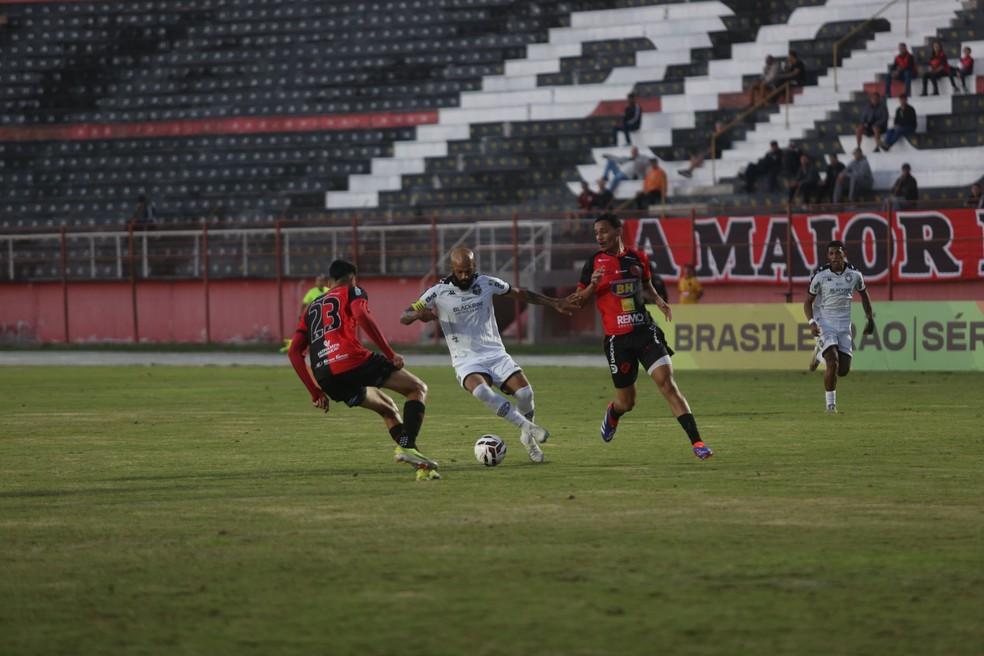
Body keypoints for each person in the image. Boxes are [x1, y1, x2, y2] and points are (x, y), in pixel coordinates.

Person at [400, 247, 575, 463]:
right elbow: (404, 315)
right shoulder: (437, 292)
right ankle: (527, 427)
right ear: (452, 269)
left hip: (495, 354)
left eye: (469, 271)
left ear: (475, 267)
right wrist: (417, 315)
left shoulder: (486, 283)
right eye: (460, 271)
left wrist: (554, 302)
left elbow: (521, 293)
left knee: (525, 394)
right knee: (481, 391)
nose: (465, 276)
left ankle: (528, 440)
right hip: (466, 360)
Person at [565, 214, 713, 459]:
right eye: (596, 233)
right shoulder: (593, 263)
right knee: (627, 402)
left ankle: (697, 443)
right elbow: (577, 302)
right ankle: (614, 413)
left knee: (667, 383)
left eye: (603, 231)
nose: (599, 237)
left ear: (618, 231)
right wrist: (592, 285)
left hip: (644, 331)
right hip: (617, 341)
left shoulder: (639, 258)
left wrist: (659, 300)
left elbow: (646, 286)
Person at [287, 259, 441, 481]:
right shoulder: (353, 290)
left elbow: (294, 352)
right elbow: (362, 316)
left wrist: (315, 391)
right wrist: (390, 354)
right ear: (352, 277)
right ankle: (407, 448)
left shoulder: (311, 307)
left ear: (330, 281)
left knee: (388, 409)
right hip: (351, 360)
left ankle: (419, 464)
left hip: (326, 376)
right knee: (417, 388)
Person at [804, 241, 875, 413]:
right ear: (828, 256)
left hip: (844, 325)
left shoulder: (855, 274)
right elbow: (808, 302)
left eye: (838, 253)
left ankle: (818, 355)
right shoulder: (820, 275)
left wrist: (870, 319)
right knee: (832, 362)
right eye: (832, 254)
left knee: (843, 370)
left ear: (844, 253)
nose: (835, 256)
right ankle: (830, 406)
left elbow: (864, 295)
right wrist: (812, 323)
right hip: (824, 323)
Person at [280, 275, 329, 352]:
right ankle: (304, 347)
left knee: (326, 333)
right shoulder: (312, 292)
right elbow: (304, 304)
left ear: (325, 282)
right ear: (316, 282)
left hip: (326, 317)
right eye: (319, 281)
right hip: (315, 317)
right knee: (313, 333)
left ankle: (324, 348)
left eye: (322, 281)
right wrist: (301, 314)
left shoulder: (328, 291)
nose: (320, 282)